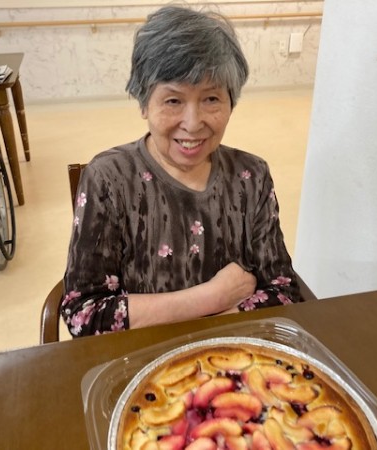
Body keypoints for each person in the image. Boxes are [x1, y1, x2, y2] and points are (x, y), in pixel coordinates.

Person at [62, 4, 303, 337]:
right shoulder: (109, 179)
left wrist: (208, 333)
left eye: (211, 99)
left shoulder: (251, 176)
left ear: (231, 103)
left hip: (232, 356)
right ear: (144, 103)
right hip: (141, 357)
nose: (193, 124)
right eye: (173, 101)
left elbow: (284, 291)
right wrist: (212, 298)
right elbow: (84, 315)